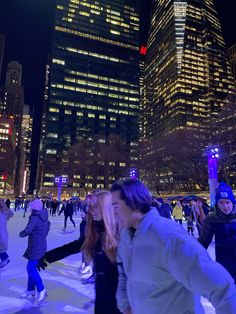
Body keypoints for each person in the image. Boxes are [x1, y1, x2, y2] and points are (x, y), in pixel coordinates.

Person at [110, 179, 236, 314]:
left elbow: (221, 289)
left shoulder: (167, 236)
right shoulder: (126, 237)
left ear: (133, 203)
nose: (113, 212)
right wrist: (126, 305)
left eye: (116, 206)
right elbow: (124, 274)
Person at [38, 190, 121, 314]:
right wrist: (48, 257)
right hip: (102, 299)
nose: (91, 210)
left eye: (96, 206)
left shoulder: (121, 235)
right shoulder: (95, 232)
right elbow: (75, 246)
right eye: (90, 206)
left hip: (121, 303)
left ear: (106, 208)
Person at [198, 182, 236, 283]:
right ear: (217, 204)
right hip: (224, 264)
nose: (225, 206)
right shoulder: (212, 219)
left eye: (227, 202)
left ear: (232, 202)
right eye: (221, 203)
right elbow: (203, 241)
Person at [19, 198, 50, 306]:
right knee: (30, 268)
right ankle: (30, 290)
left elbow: (28, 229)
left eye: (31, 207)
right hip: (40, 245)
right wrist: (40, 236)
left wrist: (22, 233)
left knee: (30, 268)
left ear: (34, 208)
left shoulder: (35, 217)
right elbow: (47, 228)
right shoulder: (44, 216)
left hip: (36, 247)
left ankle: (41, 290)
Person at [0, 199, 14, 268]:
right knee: (1, 248)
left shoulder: (3, 213)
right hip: (3, 234)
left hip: (1, 234)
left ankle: (5, 259)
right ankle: (5, 258)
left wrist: (4, 207)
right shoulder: (3, 213)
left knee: (1, 248)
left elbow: (11, 214)